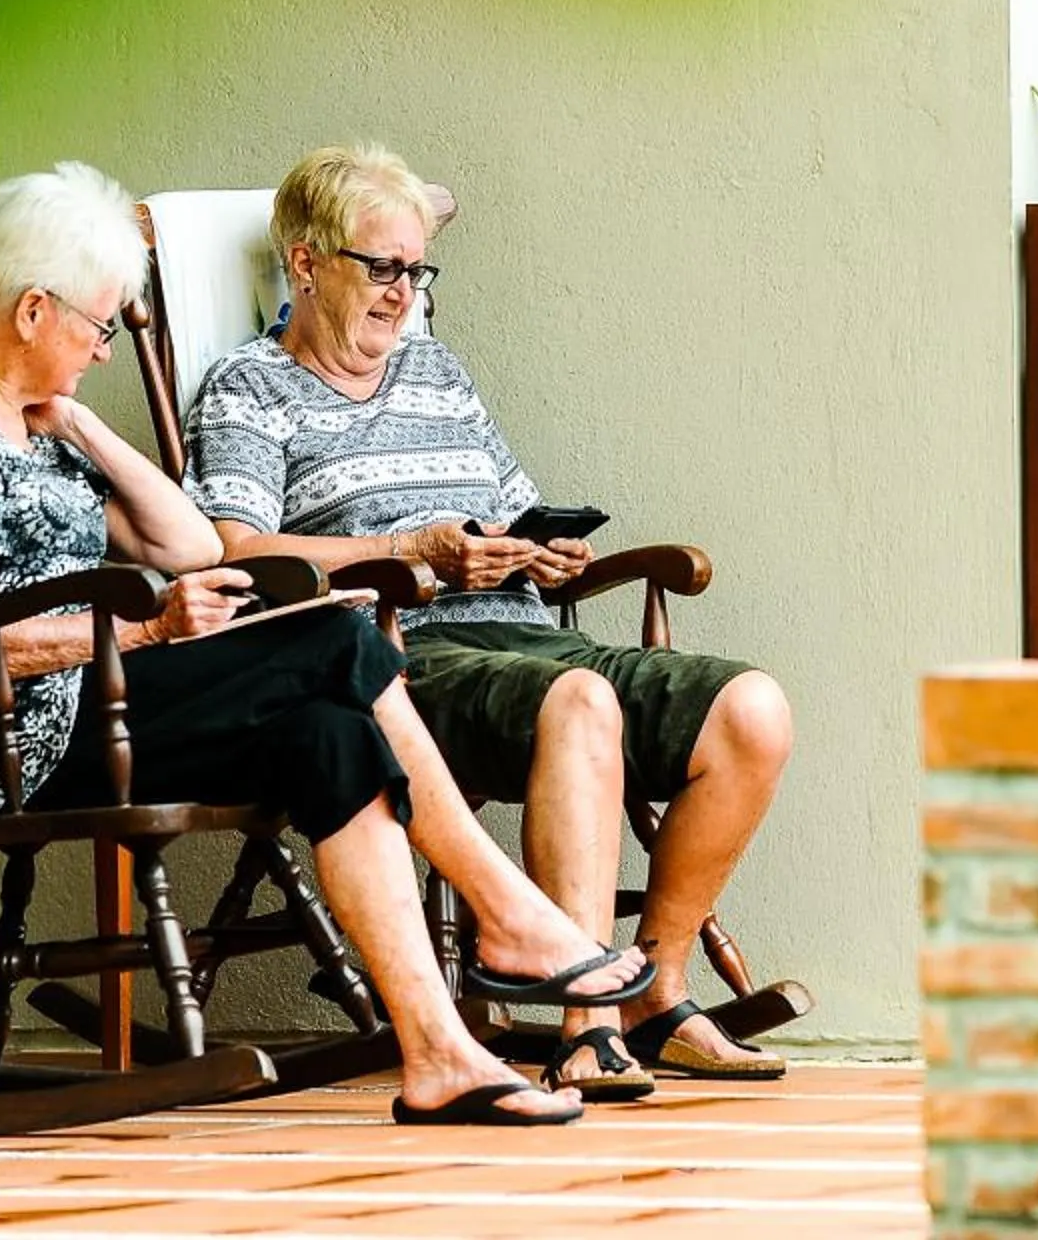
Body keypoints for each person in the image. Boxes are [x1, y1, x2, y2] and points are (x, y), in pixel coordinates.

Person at [0, 159, 642, 1128]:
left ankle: (437, 1052)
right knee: (333, 638)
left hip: (92, 708)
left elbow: (186, 542)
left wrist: (87, 430)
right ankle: (509, 913)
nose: (103, 350)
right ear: (31, 313)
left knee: (331, 737)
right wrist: (147, 628)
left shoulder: (36, 423)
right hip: (4, 748)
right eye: (98, 327)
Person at [184, 145, 794, 1101]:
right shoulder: (249, 387)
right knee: (582, 698)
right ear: (304, 264)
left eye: (416, 271)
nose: (401, 293)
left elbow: (509, 505)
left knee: (752, 709)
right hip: (399, 658)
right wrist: (420, 552)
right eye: (379, 267)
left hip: (527, 633)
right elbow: (236, 550)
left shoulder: (438, 371)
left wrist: (542, 552)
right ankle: (587, 1027)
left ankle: (656, 991)